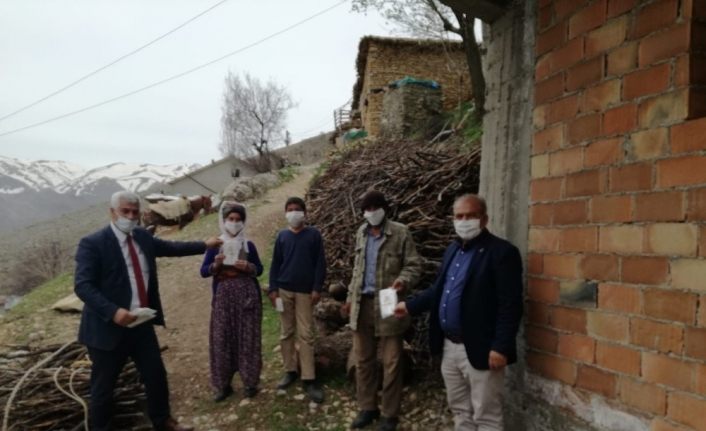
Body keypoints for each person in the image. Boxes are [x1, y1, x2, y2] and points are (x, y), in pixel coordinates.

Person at [74, 190, 223, 431]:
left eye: (134, 212)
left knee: (155, 375)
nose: (131, 217)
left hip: (140, 323)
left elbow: (171, 248)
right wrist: (114, 312)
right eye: (125, 212)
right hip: (106, 329)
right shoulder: (93, 244)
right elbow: (83, 286)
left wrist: (204, 245)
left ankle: (163, 421)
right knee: (103, 388)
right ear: (112, 212)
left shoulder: (142, 236)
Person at [395, 194, 523, 431]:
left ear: (484, 219)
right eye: (459, 216)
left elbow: (511, 305)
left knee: (487, 415)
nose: (464, 221)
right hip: (449, 347)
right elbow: (438, 290)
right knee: (460, 410)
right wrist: (409, 306)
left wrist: (501, 346)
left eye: (471, 215)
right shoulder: (453, 250)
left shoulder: (502, 253)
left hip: (482, 347)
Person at [341, 190, 422, 431]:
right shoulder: (361, 233)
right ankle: (367, 407)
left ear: (384, 209)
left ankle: (389, 413)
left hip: (387, 302)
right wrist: (348, 299)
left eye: (375, 207)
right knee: (363, 359)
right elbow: (357, 271)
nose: (371, 212)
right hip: (361, 303)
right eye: (367, 208)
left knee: (392, 361)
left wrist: (403, 281)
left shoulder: (400, 232)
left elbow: (414, 266)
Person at [200, 201, 264, 402]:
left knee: (248, 339)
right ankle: (222, 385)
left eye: (238, 219)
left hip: (246, 297)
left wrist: (248, 267)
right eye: (231, 219)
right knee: (222, 339)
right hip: (223, 299)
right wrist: (215, 265)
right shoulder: (216, 245)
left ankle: (250, 383)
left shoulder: (248, 245)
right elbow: (203, 271)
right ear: (224, 220)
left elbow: (259, 269)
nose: (234, 223)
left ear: (243, 222)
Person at [268, 197, 326, 403]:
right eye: (290, 209)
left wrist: (317, 288)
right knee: (286, 332)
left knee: (306, 334)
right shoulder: (282, 236)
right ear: (285, 213)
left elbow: (320, 263)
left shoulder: (313, 235)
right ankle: (290, 370)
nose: (294, 213)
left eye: (297, 209)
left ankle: (309, 377)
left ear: (304, 213)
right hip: (284, 291)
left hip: (305, 293)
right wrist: (273, 288)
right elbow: (275, 264)